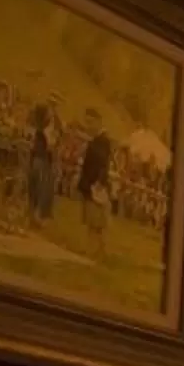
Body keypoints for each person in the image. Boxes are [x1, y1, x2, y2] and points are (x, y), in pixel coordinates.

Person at [74, 108, 115, 258]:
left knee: (96, 220)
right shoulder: (96, 140)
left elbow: (104, 164)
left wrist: (99, 182)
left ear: (98, 122)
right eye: (87, 122)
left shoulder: (103, 141)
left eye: (90, 122)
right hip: (90, 183)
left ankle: (94, 249)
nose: (88, 125)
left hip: (95, 185)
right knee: (93, 220)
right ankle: (97, 249)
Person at [25, 103, 58, 226]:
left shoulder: (37, 130)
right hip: (42, 160)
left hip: (35, 160)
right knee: (42, 189)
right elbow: (50, 147)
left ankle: (32, 215)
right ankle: (37, 216)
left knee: (34, 189)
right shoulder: (45, 131)